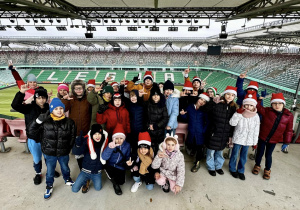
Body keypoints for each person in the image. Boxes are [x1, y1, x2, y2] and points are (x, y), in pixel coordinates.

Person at [28, 98, 76, 200]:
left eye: (61, 108)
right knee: (50, 171)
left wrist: (68, 148)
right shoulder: (45, 122)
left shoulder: (70, 122)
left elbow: (72, 136)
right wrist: (37, 121)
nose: (59, 111)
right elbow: (31, 132)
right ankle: (49, 186)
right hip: (50, 153)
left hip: (63, 152)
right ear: (51, 110)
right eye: (56, 109)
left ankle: (67, 179)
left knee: (65, 167)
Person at [11, 85, 60, 185]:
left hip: (47, 139)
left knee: (48, 157)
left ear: (46, 98)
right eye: (39, 98)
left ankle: (50, 171)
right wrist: (21, 93)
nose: (41, 100)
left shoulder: (49, 108)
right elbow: (15, 105)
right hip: (34, 139)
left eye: (43, 98)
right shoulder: (29, 108)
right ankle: (38, 173)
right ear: (35, 98)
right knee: (37, 158)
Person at [252, 93, 293, 180]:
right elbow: (258, 108)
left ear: (283, 104)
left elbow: (288, 130)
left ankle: (267, 169)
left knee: (268, 154)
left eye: (280, 103)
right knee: (259, 152)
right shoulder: (267, 111)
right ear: (271, 104)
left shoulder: (288, 116)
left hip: (273, 140)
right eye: (275, 103)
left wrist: (286, 142)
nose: (277, 105)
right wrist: (259, 100)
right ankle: (257, 165)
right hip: (263, 137)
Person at [61, 79, 91, 180]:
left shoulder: (88, 99)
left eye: (80, 88)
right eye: (76, 88)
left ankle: (88, 171)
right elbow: (63, 109)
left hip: (87, 131)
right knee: (78, 154)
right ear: (73, 89)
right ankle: (83, 172)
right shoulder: (71, 99)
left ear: (83, 89)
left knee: (87, 153)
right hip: (75, 131)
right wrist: (65, 99)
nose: (78, 90)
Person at [205, 86, 238, 176]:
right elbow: (207, 111)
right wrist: (212, 102)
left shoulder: (233, 108)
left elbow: (233, 124)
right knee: (211, 152)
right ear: (224, 94)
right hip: (214, 132)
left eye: (232, 95)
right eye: (228, 94)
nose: (229, 96)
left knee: (220, 152)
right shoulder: (217, 103)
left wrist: (230, 135)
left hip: (224, 134)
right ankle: (211, 167)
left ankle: (218, 166)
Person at [229, 90, 260, 180]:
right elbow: (232, 123)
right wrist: (238, 114)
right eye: (246, 105)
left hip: (248, 140)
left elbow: (256, 130)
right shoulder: (239, 113)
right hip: (239, 138)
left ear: (254, 106)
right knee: (235, 154)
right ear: (243, 104)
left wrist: (255, 142)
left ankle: (241, 170)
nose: (248, 107)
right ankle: (232, 169)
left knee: (243, 156)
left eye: (251, 105)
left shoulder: (256, 116)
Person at [72, 124, 109, 193]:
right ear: (92, 135)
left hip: (96, 172)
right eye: (95, 134)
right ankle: (86, 181)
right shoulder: (87, 142)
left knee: (98, 188)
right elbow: (76, 152)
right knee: (74, 189)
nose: (97, 136)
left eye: (99, 134)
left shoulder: (105, 143)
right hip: (85, 171)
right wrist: (78, 144)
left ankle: (90, 179)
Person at [180, 93, 210, 172]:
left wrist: (203, 130)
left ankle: (197, 162)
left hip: (200, 132)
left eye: (204, 101)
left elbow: (207, 122)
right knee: (191, 144)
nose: (201, 102)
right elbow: (186, 118)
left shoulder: (204, 110)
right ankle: (194, 151)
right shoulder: (190, 107)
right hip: (191, 131)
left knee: (199, 147)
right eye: (201, 99)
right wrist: (183, 115)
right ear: (198, 98)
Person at [102, 123, 132, 195]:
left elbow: (128, 156)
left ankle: (117, 181)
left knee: (122, 182)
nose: (119, 140)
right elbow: (104, 157)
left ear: (124, 139)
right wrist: (110, 148)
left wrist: (128, 162)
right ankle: (115, 184)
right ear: (113, 139)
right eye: (117, 138)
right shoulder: (111, 144)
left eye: (121, 138)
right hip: (110, 165)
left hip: (120, 165)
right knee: (111, 174)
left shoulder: (127, 145)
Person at [146, 84, 169, 154]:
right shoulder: (148, 105)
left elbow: (165, 118)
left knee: (159, 148)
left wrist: (157, 126)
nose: (155, 97)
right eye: (154, 95)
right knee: (151, 148)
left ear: (160, 96)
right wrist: (149, 126)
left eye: (157, 95)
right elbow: (145, 117)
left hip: (160, 131)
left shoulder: (163, 105)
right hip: (150, 131)